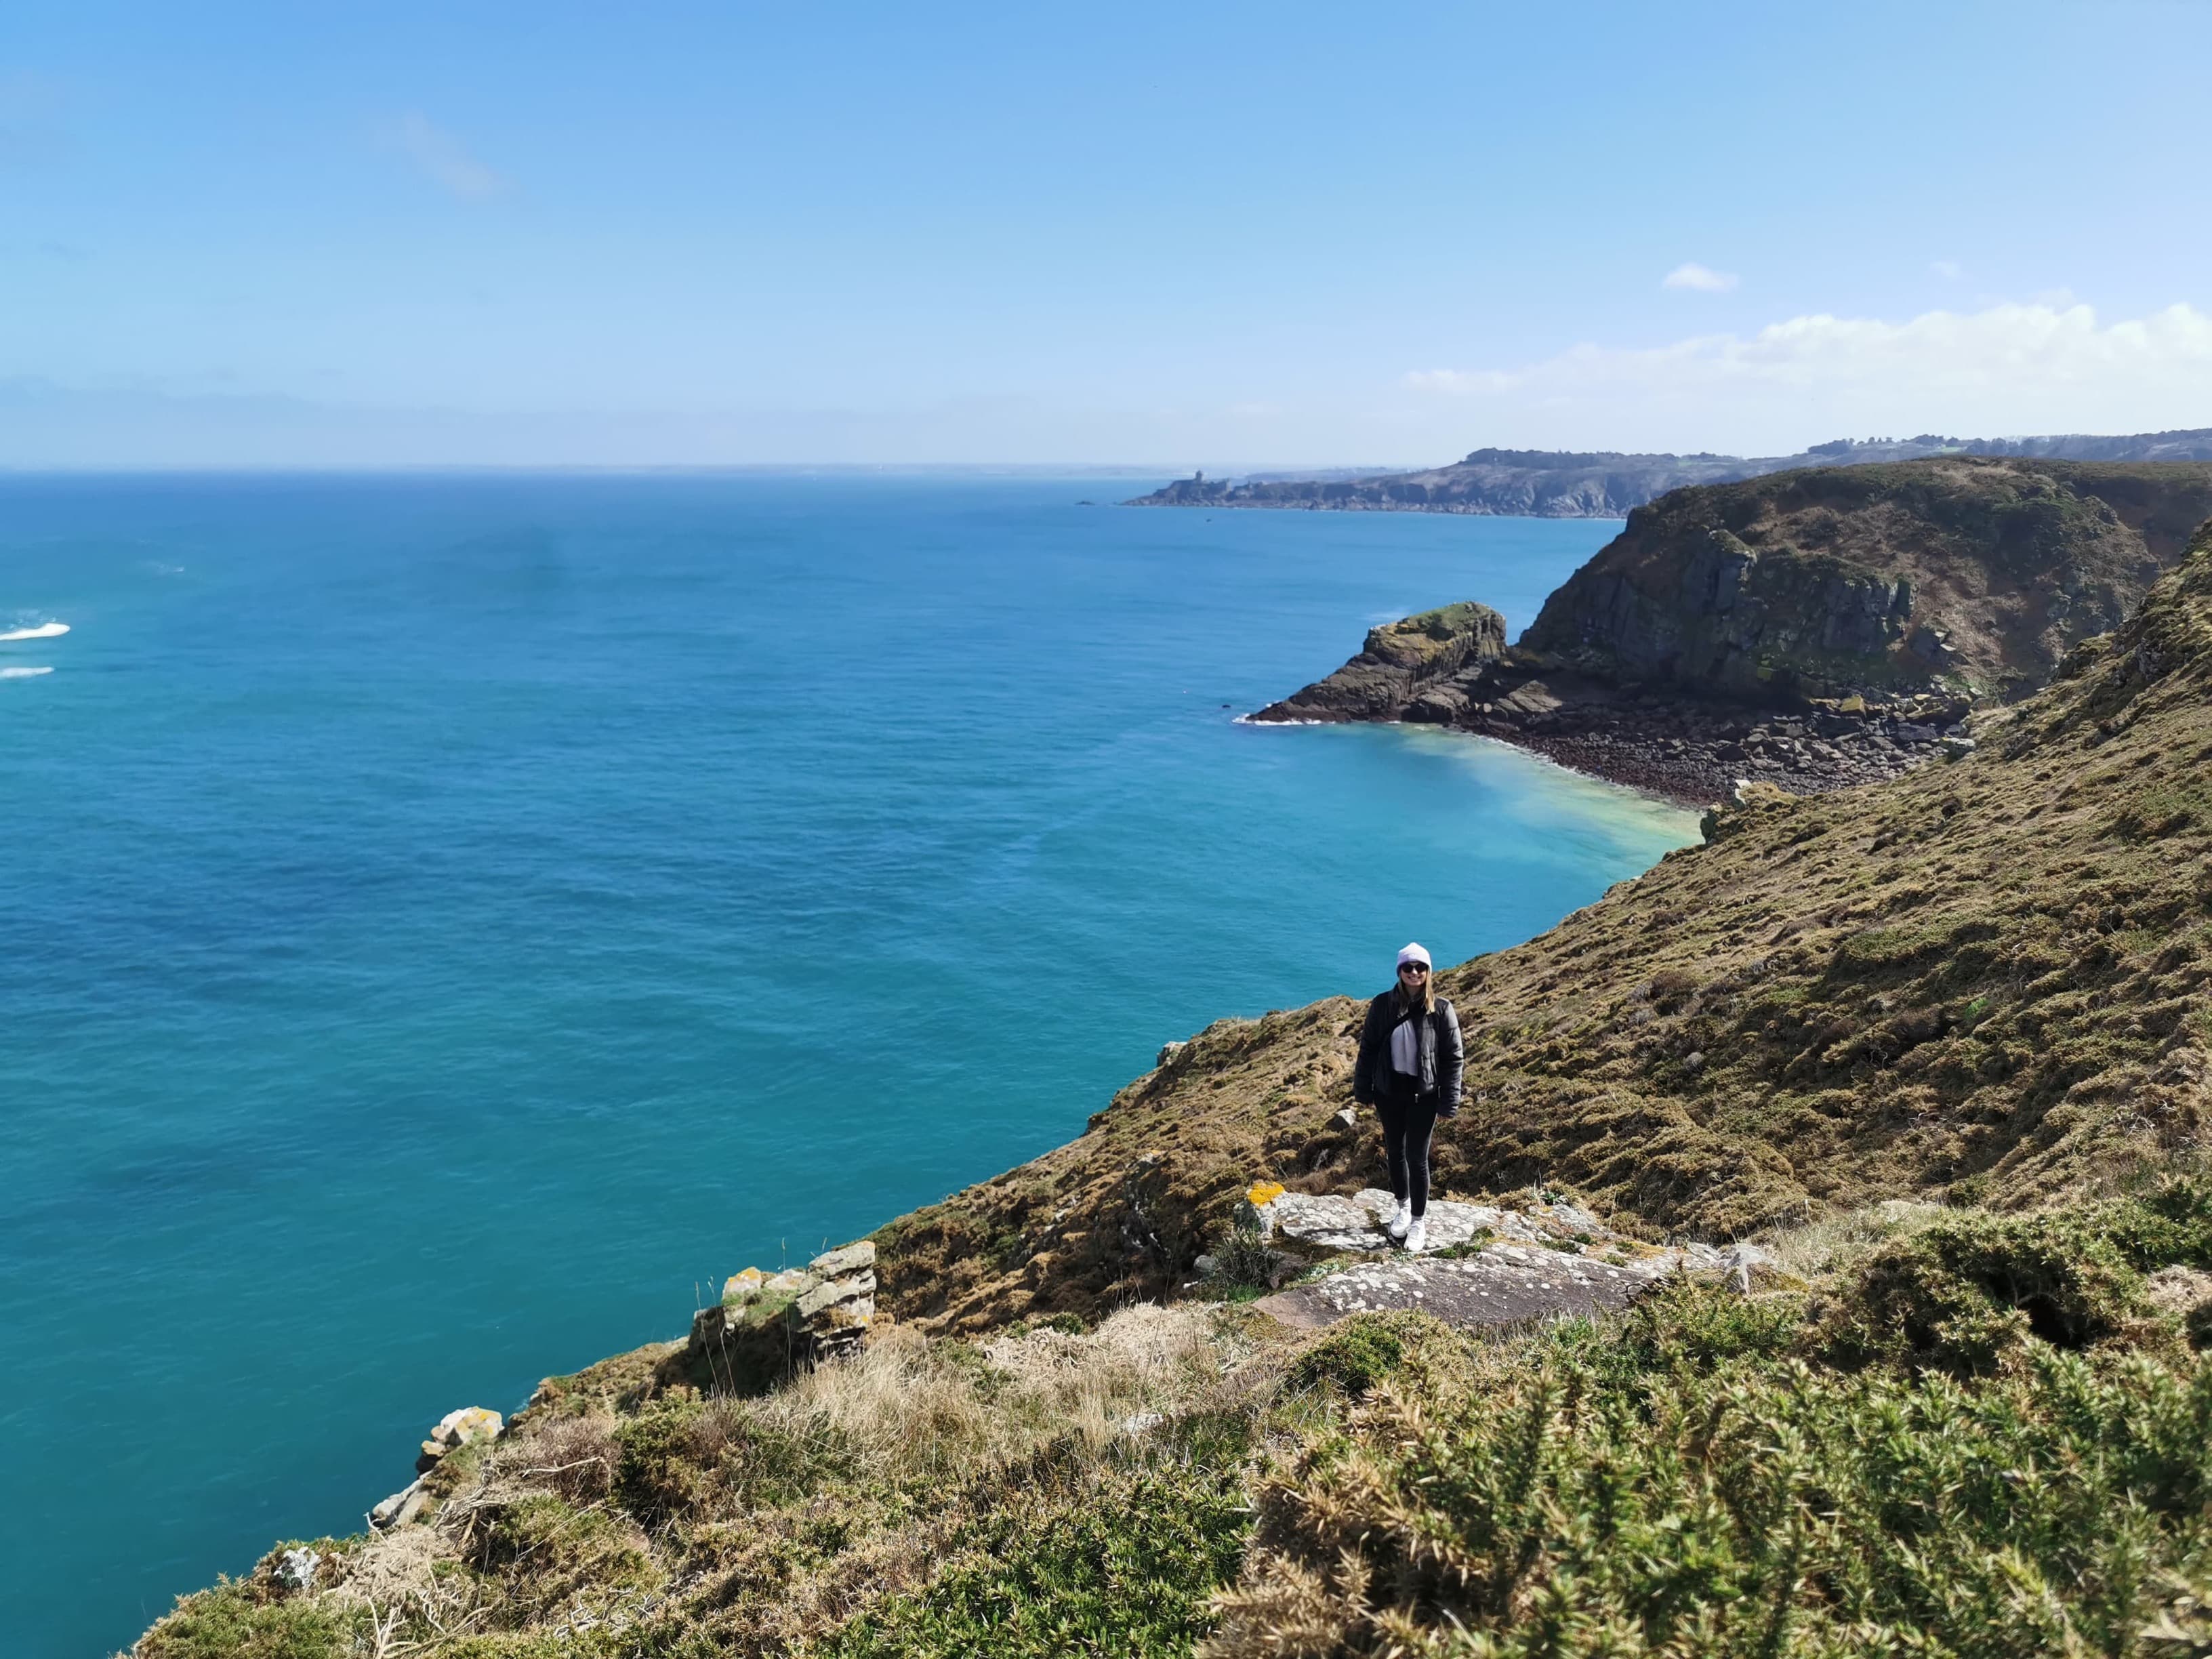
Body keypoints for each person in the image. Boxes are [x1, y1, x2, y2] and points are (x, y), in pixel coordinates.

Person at [1351, 943, 1464, 1253]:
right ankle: (1402, 1207)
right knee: (1394, 1153)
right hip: (1388, 1092)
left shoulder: (1441, 1009)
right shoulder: (1382, 1005)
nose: (1414, 972)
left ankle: (1418, 1221)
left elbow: (1453, 1058)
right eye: (1408, 967)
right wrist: (1363, 1090)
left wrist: (1448, 1101)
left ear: (1428, 972)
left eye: (1420, 968)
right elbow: (1369, 1049)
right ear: (1399, 971)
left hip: (1424, 1095)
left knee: (1417, 1157)